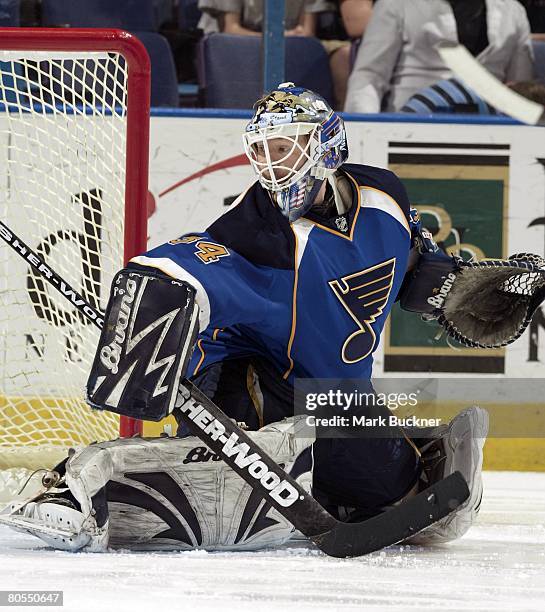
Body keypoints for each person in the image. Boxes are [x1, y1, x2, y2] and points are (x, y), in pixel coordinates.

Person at [1, 84, 488, 552]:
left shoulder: (382, 194)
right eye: (262, 151)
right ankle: (75, 488)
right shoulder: (255, 233)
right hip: (253, 388)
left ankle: (338, 488)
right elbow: (189, 264)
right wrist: (150, 295)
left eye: (285, 147)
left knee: (393, 487)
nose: (272, 164)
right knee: (240, 483)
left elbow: (420, 268)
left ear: (327, 145)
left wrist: (453, 285)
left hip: (335, 394)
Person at [345, 0, 534, 113]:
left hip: (490, 129)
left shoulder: (513, 11)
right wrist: (366, 130)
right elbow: (369, 76)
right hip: (409, 124)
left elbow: (521, 88)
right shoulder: (397, 4)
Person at [198, 0, 350, 109]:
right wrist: (277, 36)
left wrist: (282, 36)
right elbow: (231, 28)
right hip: (240, 43)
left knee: (344, 55)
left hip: (291, 42)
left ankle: (341, 122)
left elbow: (306, 31)